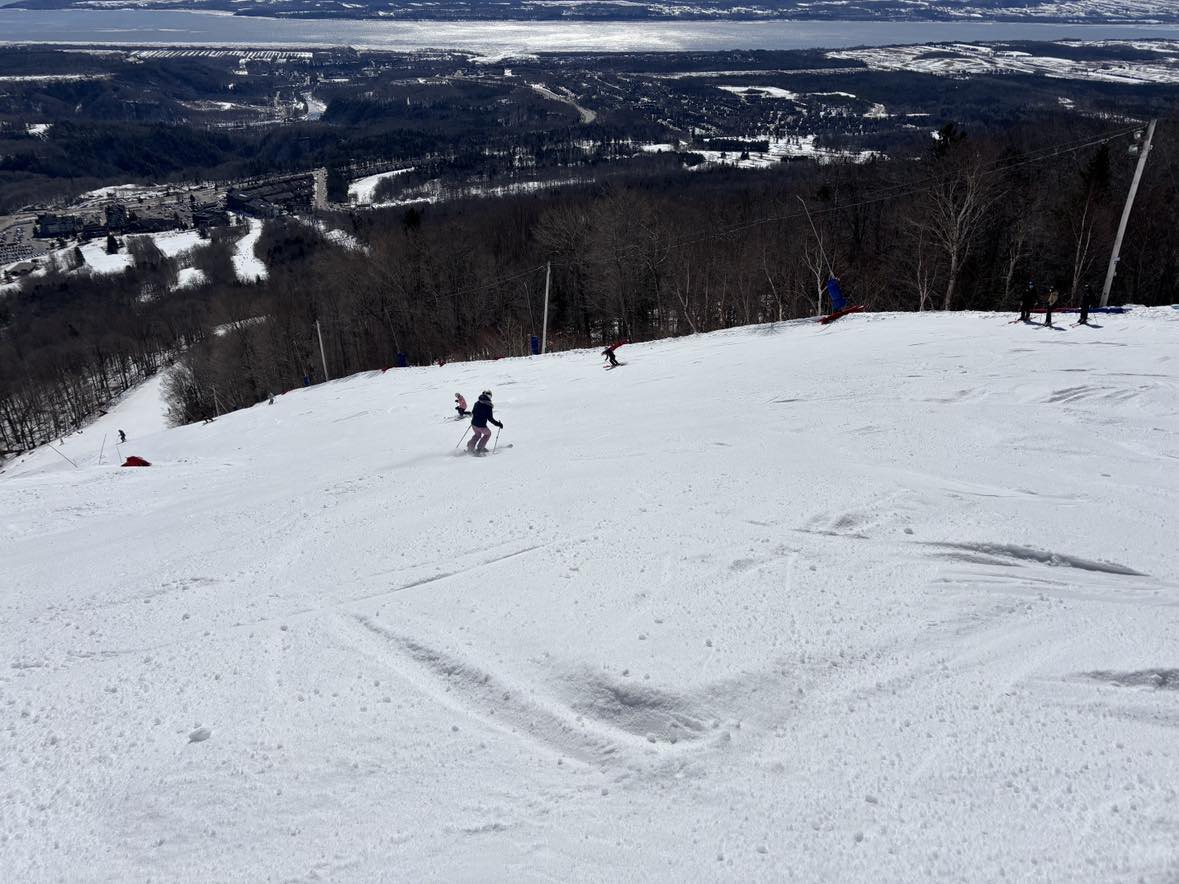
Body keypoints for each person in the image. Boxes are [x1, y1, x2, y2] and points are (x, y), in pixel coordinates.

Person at [467, 390, 503, 455]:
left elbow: (473, 412)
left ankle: (470, 447)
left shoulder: (477, 402)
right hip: (481, 426)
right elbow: (490, 418)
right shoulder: (488, 406)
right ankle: (480, 448)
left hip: (474, 424)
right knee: (488, 434)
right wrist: (498, 424)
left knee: (477, 435)